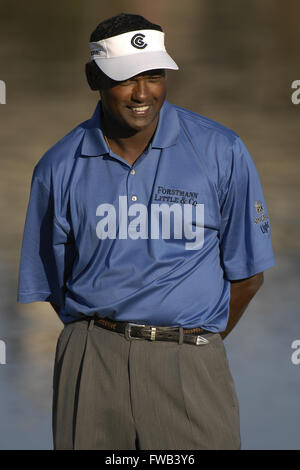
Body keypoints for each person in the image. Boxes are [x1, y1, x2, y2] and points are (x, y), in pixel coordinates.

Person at [17, 13, 275, 450]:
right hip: (92, 364)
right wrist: (104, 339)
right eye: (125, 78)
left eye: (154, 75)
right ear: (92, 77)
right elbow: (54, 284)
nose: (142, 93)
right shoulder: (57, 167)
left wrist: (190, 341)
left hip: (191, 363)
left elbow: (248, 275)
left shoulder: (221, 151)